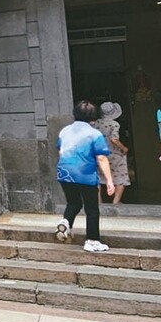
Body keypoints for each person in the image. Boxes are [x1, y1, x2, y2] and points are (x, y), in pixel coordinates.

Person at [55, 101, 116, 253]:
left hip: (64, 173)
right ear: (94, 117)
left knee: (73, 203)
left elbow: (60, 150)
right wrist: (109, 180)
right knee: (92, 209)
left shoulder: (65, 131)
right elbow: (101, 158)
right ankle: (92, 241)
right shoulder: (94, 134)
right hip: (85, 174)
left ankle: (66, 222)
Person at [94, 102, 130, 204]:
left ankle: (99, 202)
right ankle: (116, 202)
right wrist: (124, 148)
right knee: (121, 177)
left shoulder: (95, 123)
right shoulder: (114, 124)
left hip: (98, 154)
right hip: (114, 154)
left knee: (98, 178)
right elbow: (114, 139)